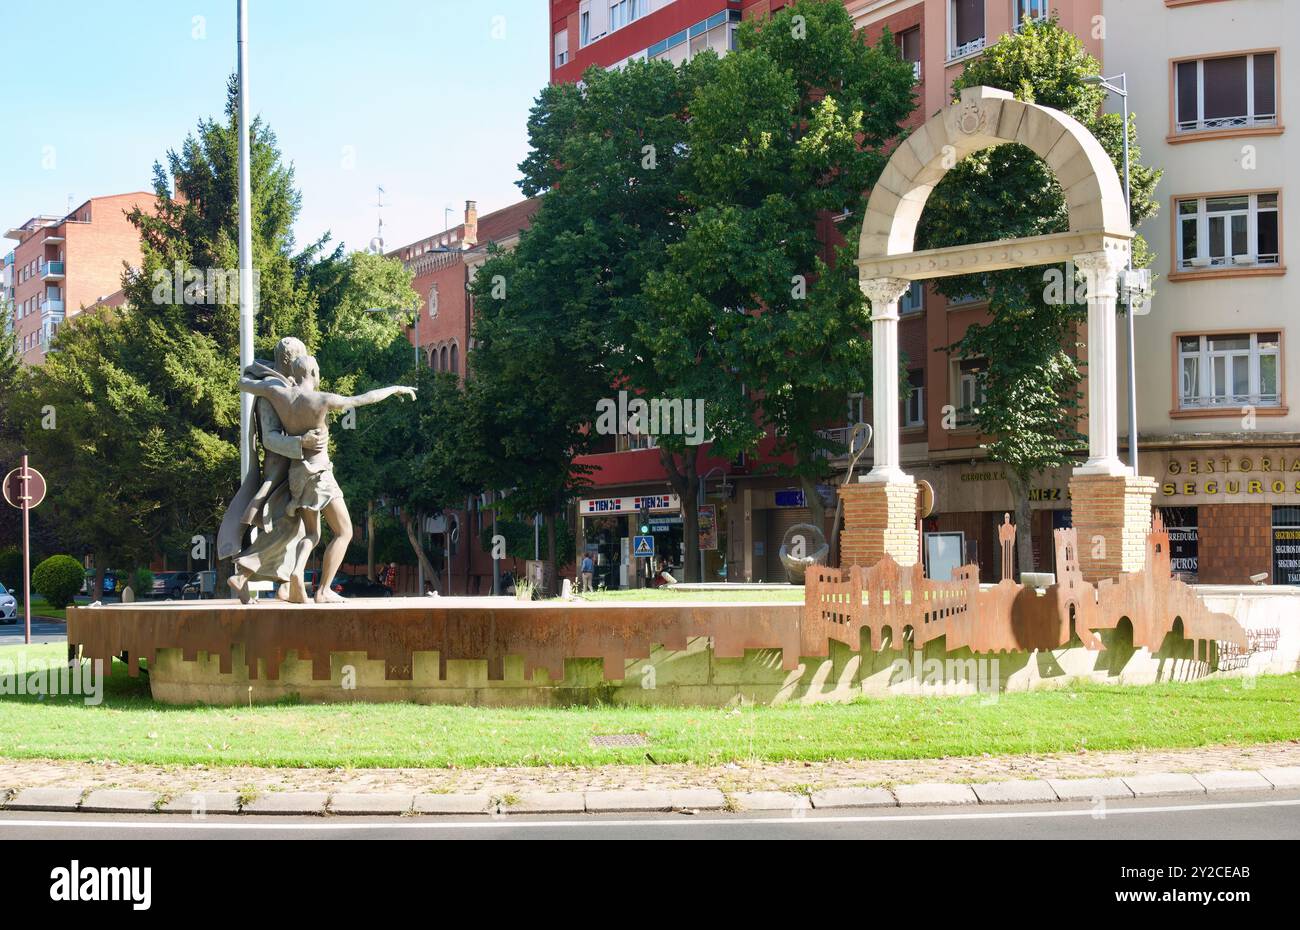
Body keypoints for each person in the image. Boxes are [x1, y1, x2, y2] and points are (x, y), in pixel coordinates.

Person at [239, 355, 415, 603]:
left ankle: (297, 573)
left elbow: (243, 383)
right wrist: (395, 389)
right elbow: (362, 399)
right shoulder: (321, 399)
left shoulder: (277, 393)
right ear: (311, 371)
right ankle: (323, 590)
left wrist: (268, 376)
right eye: (318, 370)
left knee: (312, 535)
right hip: (319, 473)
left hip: (297, 476)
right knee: (344, 532)